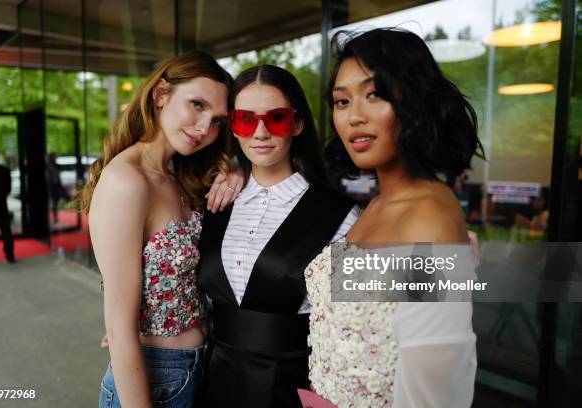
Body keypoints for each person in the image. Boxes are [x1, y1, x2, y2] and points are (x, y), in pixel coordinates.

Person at [305, 27, 485, 407]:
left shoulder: (431, 217)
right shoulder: (376, 206)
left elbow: (434, 396)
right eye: (341, 101)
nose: (354, 116)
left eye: (374, 94)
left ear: (414, 101)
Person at [81, 51, 240, 408]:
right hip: (154, 379)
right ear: (161, 95)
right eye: (196, 105)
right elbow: (120, 329)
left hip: (202, 366)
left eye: (217, 120)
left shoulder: (182, 174)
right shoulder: (127, 180)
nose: (204, 128)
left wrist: (238, 172)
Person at [196, 64, 359, 408]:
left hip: (293, 386)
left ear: (297, 123)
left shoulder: (338, 215)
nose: (260, 132)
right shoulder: (215, 202)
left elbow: (363, 321)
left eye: (276, 118)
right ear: (233, 127)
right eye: (245, 119)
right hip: (214, 381)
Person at [47, 152, 67, 224]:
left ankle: (55, 217)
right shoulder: (49, 165)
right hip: (52, 186)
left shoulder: (54, 165)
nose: (55, 158)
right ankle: (55, 217)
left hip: (56, 186)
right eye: (54, 157)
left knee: (55, 202)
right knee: (54, 202)